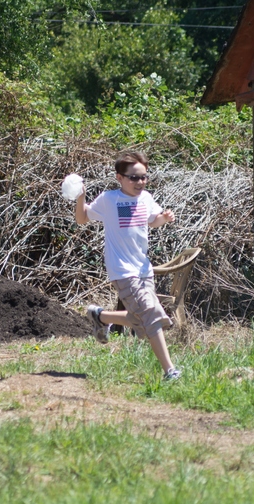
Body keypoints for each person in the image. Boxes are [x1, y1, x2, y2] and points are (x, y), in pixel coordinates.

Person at [73, 151, 181, 381]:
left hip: (144, 268)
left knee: (139, 320)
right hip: (122, 269)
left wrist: (165, 218)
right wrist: (80, 197)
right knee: (151, 313)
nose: (139, 182)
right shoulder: (109, 199)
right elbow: (82, 218)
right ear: (119, 178)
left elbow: (153, 221)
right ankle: (170, 371)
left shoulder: (146, 198)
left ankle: (100, 317)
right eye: (133, 178)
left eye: (143, 177)